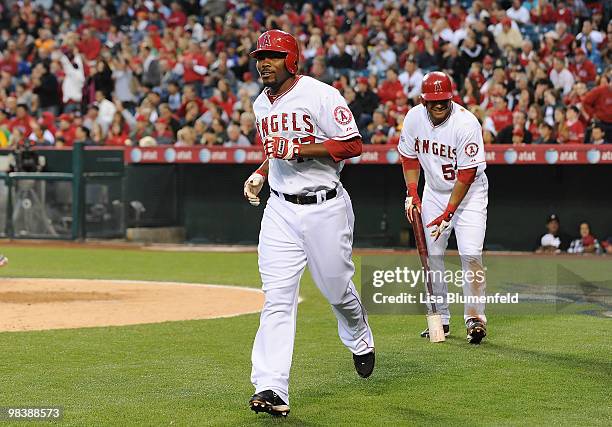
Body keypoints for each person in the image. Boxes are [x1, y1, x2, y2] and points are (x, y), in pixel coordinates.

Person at [243, 30, 374, 417]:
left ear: (292, 59)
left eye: (272, 56)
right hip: (280, 210)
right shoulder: (260, 105)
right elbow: (276, 150)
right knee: (277, 299)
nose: (263, 62)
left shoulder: (320, 94)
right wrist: (262, 172)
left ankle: (359, 334)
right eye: (259, 57)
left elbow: (353, 144)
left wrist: (299, 148)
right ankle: (271, 387)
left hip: (325, 206)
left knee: (336, 290)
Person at [398, 71, 489, 344]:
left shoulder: (466, 123)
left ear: (451, 98)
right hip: (434, 192)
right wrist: (413, 192)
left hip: (469, 195)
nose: (438, 105)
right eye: (433, 100)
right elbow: (409, 157)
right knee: (432, 256)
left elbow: (467, 174)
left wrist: (448, 214)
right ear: (423, 100)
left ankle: (475, 318)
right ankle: (441, 318)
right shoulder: (414, 118)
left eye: (443, 100)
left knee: (471, 254)